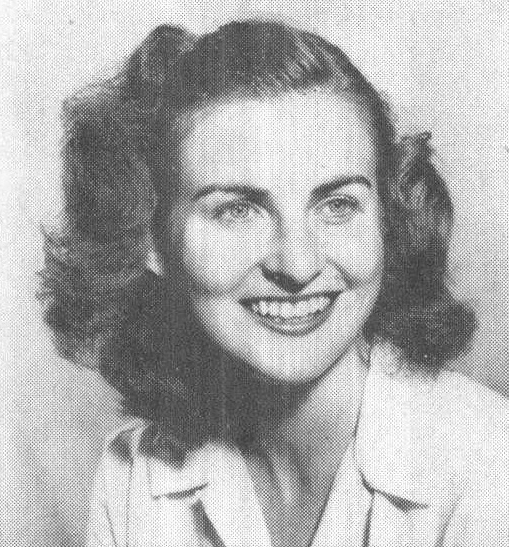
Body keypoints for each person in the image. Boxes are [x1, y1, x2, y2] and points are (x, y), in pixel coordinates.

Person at [40, 19, 509, 547]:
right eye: (237, 210)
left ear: (388, 221)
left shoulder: (490, 462)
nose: (297, 264)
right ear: (150, 240)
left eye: (337, 205)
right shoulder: (133, 476)